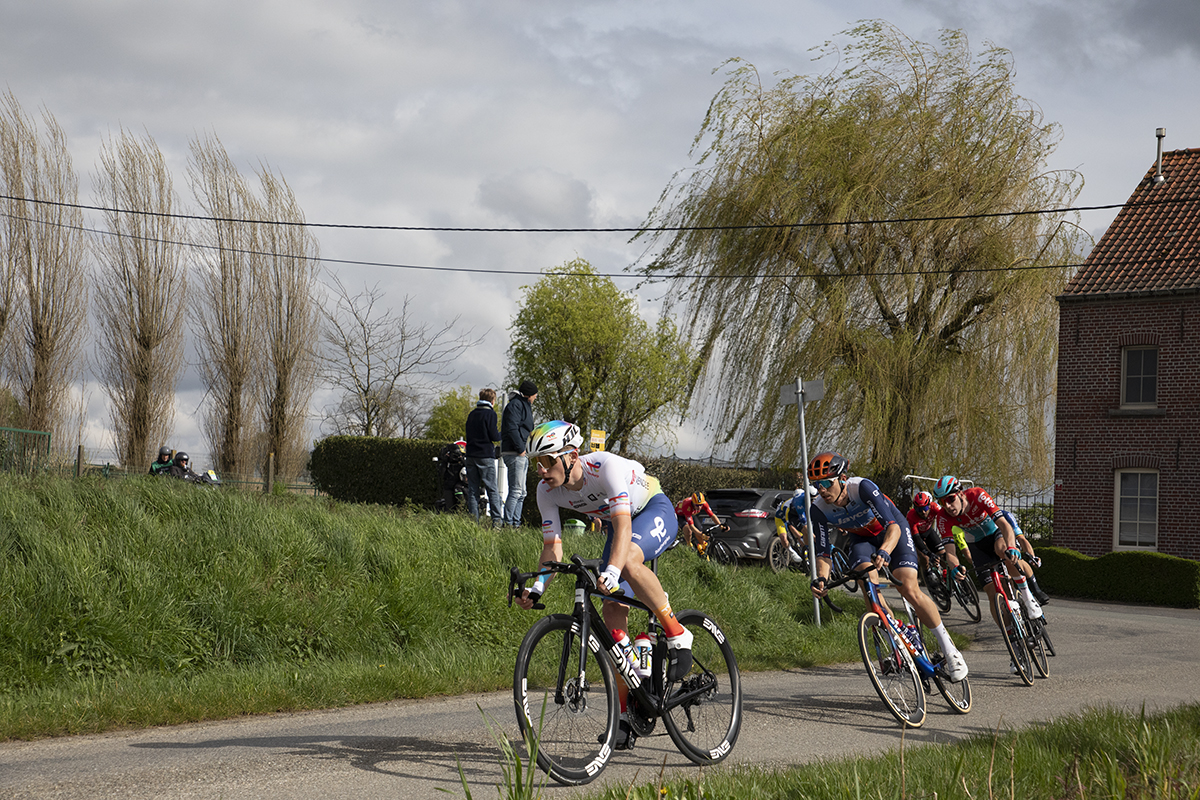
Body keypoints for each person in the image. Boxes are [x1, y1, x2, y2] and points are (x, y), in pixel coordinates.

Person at [515, 420, 691, 750]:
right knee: (612, 615)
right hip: (618, 525)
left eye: (547, 460)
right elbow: (553, 546)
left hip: (652, 509)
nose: (541, 470)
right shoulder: (546, 491)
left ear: (571, 456)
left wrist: (612, 570)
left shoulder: (605, 467)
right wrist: (537, 587)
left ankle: (677, 632)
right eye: (536, 462)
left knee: (628, 563)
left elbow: (624, 528)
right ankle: (627, 713)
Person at [806, 452, 969, 683]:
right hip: (862, 539)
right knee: (868, 588)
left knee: (908, 587)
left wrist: (885, 551)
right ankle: (898, 640)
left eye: (825, 483)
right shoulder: (818, 509)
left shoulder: (862, 488)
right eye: (816, 485)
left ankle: (950, 650)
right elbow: (823, 553)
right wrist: (822, 579)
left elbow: (893, 527)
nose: (821, 490)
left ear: (842, 478)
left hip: (892, 530)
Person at [931, 475, 1043, 671]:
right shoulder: (942, 517)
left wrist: (1012, 547)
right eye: (942, 502)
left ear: (960, 494)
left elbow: (1004, 524)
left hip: (995, 534)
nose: (947, 505)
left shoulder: (977, 495)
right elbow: (950, 553)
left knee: (1004, 552)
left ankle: (1028, 598)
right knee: (993, 595)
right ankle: (1015, 646)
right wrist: (955, 567)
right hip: (977, 546)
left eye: (950, 499)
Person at [500, 380, 538, 527]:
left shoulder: (523, 405)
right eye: (535, 395)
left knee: (522, 493)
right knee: (516, 491)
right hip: (515, 452)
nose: (535, 397)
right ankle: (508, 524)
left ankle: (516, 523)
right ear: (529, 394)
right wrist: (520, 448)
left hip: (521, 453)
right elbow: (512, 428)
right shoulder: (516, 405)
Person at [464, 388, 503, 527]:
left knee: (473, 490)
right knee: (492, 489)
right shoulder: (490, 414)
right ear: (492, 401)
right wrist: (503, 434)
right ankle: (497, 522)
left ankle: (473, 523)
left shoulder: (472, 414)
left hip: (471, 455)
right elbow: (494, 436)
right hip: (485, 455)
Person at [999, 509, 1051, 605]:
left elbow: (1021, 538)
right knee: (1004, 580)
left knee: (1013, 558)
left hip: (1009, 543)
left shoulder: (1005, 515)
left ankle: (1036, 590)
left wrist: (1032, 556)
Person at [774, 489, 810, 565]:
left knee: (804, 535)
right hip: (781, 519)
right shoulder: (788, 505)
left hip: (794, 517)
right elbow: (790, 524)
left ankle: (807, 554)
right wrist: (799, 536)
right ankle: (791, 551)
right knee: (784, 537)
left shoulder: (802, 503)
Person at [436, 439, 468, 512]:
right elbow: (441, 474)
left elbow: (469, 470)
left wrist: (462, 460)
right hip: (449, 486)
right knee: (449, 508)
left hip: (461, 486)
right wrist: (445, 461)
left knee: (462, 505)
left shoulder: (463, 462)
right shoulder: (447, 462)